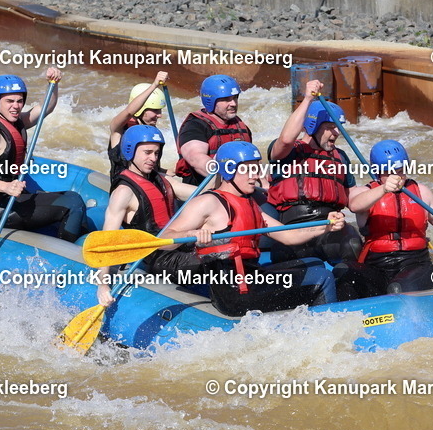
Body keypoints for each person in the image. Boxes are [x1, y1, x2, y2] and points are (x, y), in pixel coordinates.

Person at [159, 141, 340, 317]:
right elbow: (163, 240)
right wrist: (191, 234)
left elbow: (289, 235)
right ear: (229, 170)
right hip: (235, 294)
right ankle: (329, 330)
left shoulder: (249, 203)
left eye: (257, 168)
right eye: (248, 169)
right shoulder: (208, 202)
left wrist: (326, 225)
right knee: (322, 277)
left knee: (314, 262)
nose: (256, 175)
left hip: (253, 278)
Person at [342, 140, 433, 299]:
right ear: (377, 171)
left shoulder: (421, 192)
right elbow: (354, 205)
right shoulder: (366, 193)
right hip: (378, 264)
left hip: (415, 263)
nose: (398, 177)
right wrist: (384, 189)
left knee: (397, 289)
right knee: (343, 272)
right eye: (391, 173)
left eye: (401, 171)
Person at [0, 70, 86, 242]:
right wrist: (5, 187)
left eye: (19, 101)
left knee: (71, 197)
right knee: (73, 203)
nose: (15, 106)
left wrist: (53, 84)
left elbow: (45, 109)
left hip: (13, 199)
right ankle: (71, 254)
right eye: (9, 101)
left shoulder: (15, 121)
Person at [96, 124, 199, 306]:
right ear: (130, 151)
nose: (153, 158)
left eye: (157, 153)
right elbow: (107, 239)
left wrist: (228, 178)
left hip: (180, 246)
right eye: (148, 152)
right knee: (214, 264)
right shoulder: (123, 192)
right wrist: (103, 284)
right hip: (157, 260)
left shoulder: (161, 180)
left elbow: (199, 192)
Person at [266, 80, 361, 264]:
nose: (337, 132)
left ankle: (350, 288)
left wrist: (383, 190)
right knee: (283, 253)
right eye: (330, 127)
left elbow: (353, 196)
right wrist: (308, 98)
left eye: (338, 127)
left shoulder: (340, 157)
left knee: (351, 242)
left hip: (331, 227)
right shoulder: (288, 151)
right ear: (312, 126)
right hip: (293, 229)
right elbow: (285, 140)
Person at [174, 74, 252, 187]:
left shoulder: (240, 126)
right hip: (205, 191)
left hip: (240, 188)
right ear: (211, 101)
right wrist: (231, 177)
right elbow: (196, 159)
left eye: (235, 97)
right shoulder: (194, 126)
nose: (233, 104)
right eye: (226, 99)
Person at [107, 72, 169, 185]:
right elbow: (129, 111)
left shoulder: (151, 132)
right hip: (126, 189)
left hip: (147, 189)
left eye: (160, 110)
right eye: (155, 110)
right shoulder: (119, 130)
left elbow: (150, 168)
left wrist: (170, 171)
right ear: (141, 109)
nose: (159, 115)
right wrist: (154, 85)